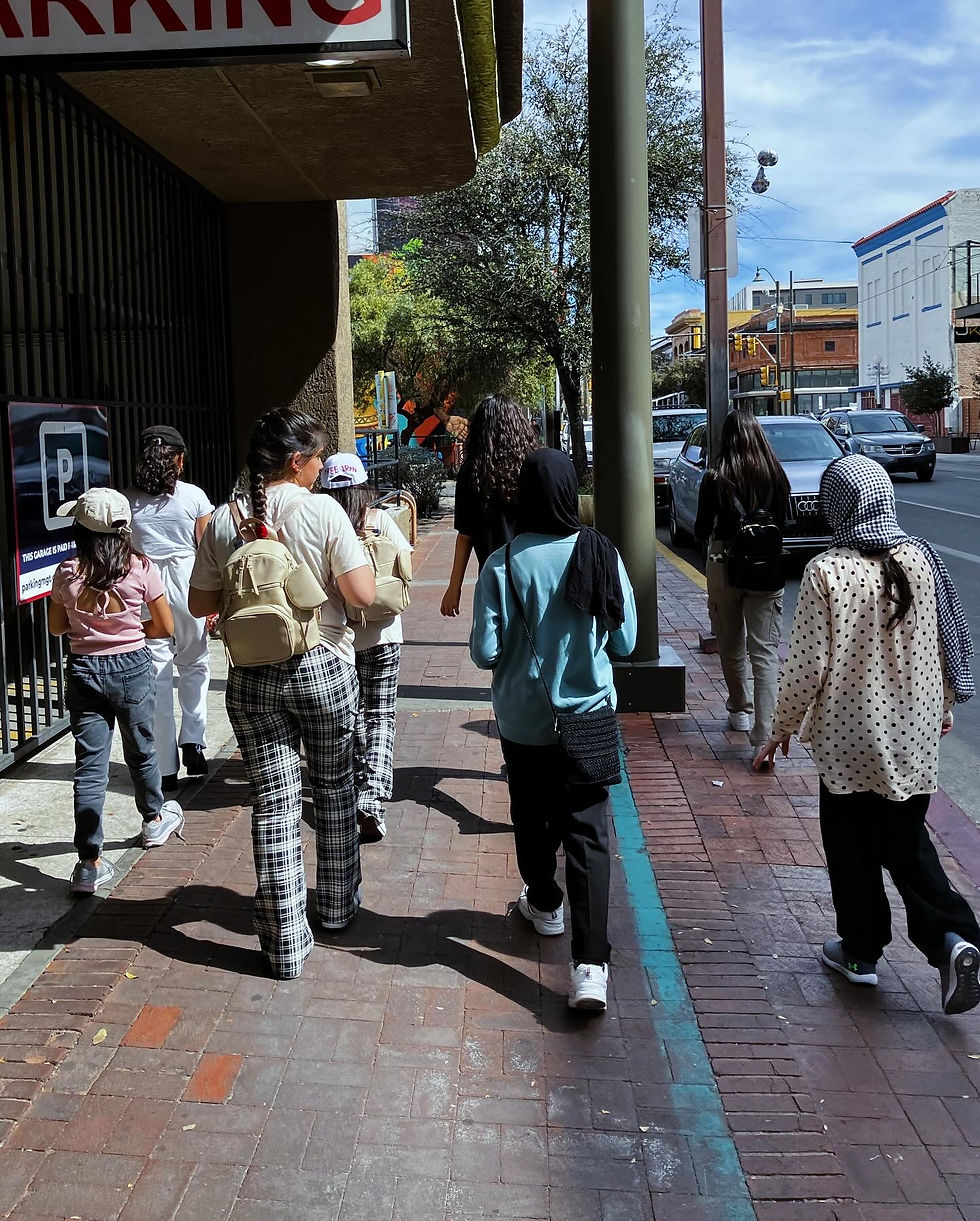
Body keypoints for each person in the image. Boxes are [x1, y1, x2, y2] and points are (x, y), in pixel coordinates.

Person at [754, 455, 980, 1015]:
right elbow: (941, 641)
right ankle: (952, 938)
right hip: (915, 731)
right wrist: (945, 703)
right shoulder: (922, 559)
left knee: (850, 844)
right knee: (905, 840)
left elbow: (808, 664)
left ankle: (859, 953)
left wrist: (779, 730)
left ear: (838, 506)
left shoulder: (827, 570)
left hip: (847, 739)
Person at [188, 409, 375, 980]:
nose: (320, 470)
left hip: (251, 679)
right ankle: (338, 908)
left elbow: (199, 606)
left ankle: (284, 945)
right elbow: (363, 595)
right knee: (335, 788)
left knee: (273, 805)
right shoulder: (323, 512)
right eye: (317, 459)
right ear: (296, 462)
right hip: (323, 665)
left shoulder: (223, 519)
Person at [470, 449, 637, 1012]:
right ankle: (591, 968)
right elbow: (626, 643)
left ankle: (543, 903)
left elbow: (484, 651)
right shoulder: (601, 553)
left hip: (523, 721)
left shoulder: (501, 563)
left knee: (532, 815)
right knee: (589, 836)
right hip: (588, 719)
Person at [48, 489, 185, 896]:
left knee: (90, 768)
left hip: (84, 670)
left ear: (81, 531)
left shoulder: (68, 571)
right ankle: (154, 821)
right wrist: (130, 632)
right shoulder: (140, 568)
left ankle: (88, 863)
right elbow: (165, 627)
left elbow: (57, 627)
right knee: (141, 749)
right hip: (133, 668)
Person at [322, 451, 412, 843]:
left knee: (354, 714)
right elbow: (405, 563)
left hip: (339, 639)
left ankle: (359, 785)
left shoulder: (324, 522)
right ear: (363, 486)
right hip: (385, 633)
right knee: (381, 714)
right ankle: (372, 797)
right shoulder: (379, 520)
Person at [694, 410, 790, 748]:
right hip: (767, 569)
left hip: (725, 564)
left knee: (731, 643)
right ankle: (765, 733)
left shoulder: (715, 477)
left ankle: (739, 711)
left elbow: (701, 528)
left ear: (726, 439)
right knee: (764, 652)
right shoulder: (776, 475)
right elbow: (785, 522)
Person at [127, 425, 214, 791]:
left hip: (146, 585)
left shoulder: (126, 500)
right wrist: (215, 600)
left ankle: (165, 767)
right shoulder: (193, 496)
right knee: (195, 662)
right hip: (188, 580)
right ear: (179, 459)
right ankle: (193, 737)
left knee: (158, 677)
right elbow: (208, 550)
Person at [440, 395, 537, 618]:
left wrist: (454, 587)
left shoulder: (472, 473)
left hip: (494, 575)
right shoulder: (533, 466)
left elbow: (465, 535)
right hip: (534, 573)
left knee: (489, 648)